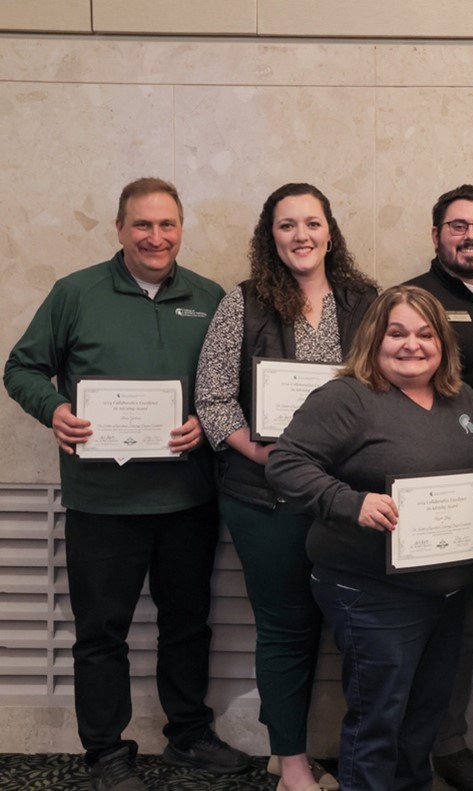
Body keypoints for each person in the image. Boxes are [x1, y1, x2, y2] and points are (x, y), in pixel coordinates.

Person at [4, 178, 250, 791]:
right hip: (102, 503)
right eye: (143, 225)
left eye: (167, 225)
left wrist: (207, 421)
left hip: (188, 497)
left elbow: (230, 386)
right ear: (119, 228)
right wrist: (54, 409)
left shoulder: (211, 297)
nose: (156, 237)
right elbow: (22, 367)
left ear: (181, 230)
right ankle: (107, 753)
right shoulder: (76, 292)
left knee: (188, 624)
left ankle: (189, 733)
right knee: (101, 632)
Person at [265, 286, 473, 791]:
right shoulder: (347, 397)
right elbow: (287, 464)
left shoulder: (460, 397)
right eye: (396, 333)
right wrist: (353, 503)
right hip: (372, 593)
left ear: (442, 342)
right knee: (378, 724)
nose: (411, 345)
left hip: (447, 591)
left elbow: (471, 470)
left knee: (421, 722)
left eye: (424, 334)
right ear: (375, 339)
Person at [195, 182, 377, 791]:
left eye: (312, 223)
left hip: (345, 496)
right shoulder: (241, 303)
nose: (301, 236)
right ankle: (292, 766)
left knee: (353, 628)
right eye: (286, 225)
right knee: (285, 629)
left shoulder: (364, 300)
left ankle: (335, 755)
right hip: (264, 496)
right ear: (269, 236)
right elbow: (214, 396)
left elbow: (386, 383)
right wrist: (257, 450)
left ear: (331, 231)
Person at [403, 184, 473, 791]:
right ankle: (430, 750)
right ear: (436, 235)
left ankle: (447, 745)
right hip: (447, 494)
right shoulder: (416, 301)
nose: (470, 237)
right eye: (457, 226)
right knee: (446, 627)